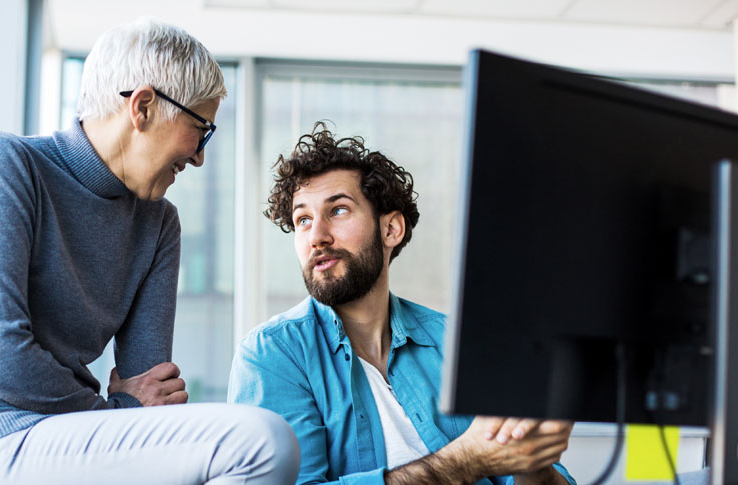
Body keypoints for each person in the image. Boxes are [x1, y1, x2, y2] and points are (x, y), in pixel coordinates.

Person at [0, 18, 298, 485]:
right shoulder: (1, 165)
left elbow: (153, 393)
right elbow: (3, 360)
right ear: (144, 106)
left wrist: (124, 410)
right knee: (260, 442)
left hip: (68, 438)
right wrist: (114, 410)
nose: (199, 158)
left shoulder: (159, 224)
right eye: (200, 130)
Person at [227, 122, 576, 484]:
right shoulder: (272, 354)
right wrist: (465, 460)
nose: (317, 236)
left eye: (339, 210)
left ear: (391, 230)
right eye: (303, 219)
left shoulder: (458, 344)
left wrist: (530, 458)